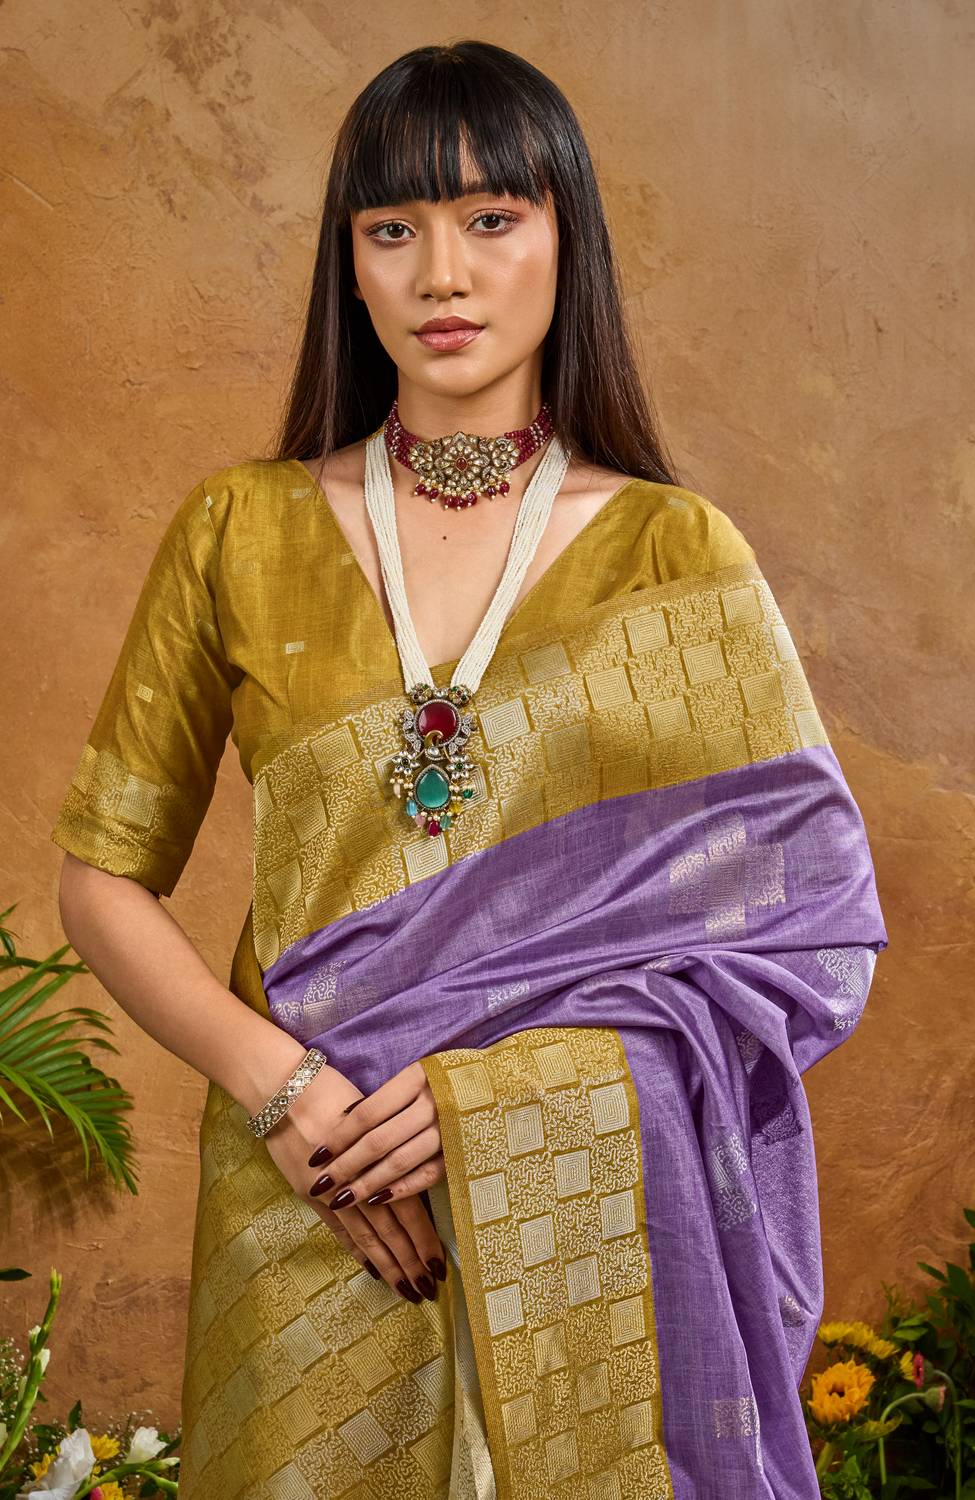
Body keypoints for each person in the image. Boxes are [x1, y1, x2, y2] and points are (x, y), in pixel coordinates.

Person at [51, 38, 888, 1500]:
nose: (443, 275)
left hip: (584, 1218)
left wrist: (491, 1105)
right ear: (350, 264)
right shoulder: (237, 531)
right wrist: (283, 1094)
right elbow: (100, 879)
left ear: (569, 239)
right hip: (313, 1203)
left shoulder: (674, 556)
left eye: (492, 219)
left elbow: (804, 931)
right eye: (394, 229)